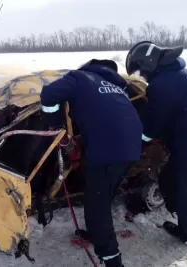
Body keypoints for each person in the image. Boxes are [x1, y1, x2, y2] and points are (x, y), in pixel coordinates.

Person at [125, 41, 187, 267]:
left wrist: (133, 139)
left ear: (149, 64)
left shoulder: (163, 84)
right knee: (168, 180)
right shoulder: (182, 74)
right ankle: (186, 229)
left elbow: (152, 127)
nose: (142, 76)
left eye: (141, 70)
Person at [40, 59, 143, 267]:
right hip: (133, 146)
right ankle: (99, 233)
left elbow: (48, 94)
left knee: (96, 207)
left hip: (108, 148)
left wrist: (54, 123)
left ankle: (112, 259)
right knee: (104, 197)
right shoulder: (117, 86)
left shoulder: (79, 77)